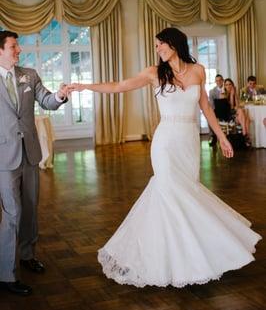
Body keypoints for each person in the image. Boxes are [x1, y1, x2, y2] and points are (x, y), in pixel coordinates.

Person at [70, 27, 261, 288]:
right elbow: (118, 86)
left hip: (189, 142)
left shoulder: (198, 70)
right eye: (156, 45)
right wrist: (84, 86)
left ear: (174, 44)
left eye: (161, 44)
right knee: (169, 192)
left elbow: (205, 106)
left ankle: (191, 254)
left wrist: (223, 137)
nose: (158, 49)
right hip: (165, 142)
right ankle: (168, 260)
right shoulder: (153, 73)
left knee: (187, 194)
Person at [0, 31, 69, 296]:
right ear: (1, 51)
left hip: (30, 154)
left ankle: (27, 255)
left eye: (17, 47)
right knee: (12, 213)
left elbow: (47, 101)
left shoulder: (29, 74)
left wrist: (61, 95)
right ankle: (6, 273)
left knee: (29, 208)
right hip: (4, 158)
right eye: (14, 47)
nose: (19, 51)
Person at [223, 78, 251, 145]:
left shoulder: (234, 93)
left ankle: (245, 136)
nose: (228, 86)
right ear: (224, 86)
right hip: (228, 116)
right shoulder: (223, 95)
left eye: (230, 84)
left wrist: (234, 94)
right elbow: (231, 108)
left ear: (232, 85)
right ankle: (246, 136)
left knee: (247, 118)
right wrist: (232, 95)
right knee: (242, 114)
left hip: (236, 115)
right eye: (226, 85)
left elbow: (238, 105)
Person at [208, 74, 225, 146]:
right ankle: (213, 136)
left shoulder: (227, 88)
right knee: (210, 118)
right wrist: (214, 113)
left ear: (222, 81)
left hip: (226, 110)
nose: (218, 82)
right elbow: (211, 104)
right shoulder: (212, 91)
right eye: (217, 81)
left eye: (220, 80)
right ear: (215, 82)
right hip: (216, 110)